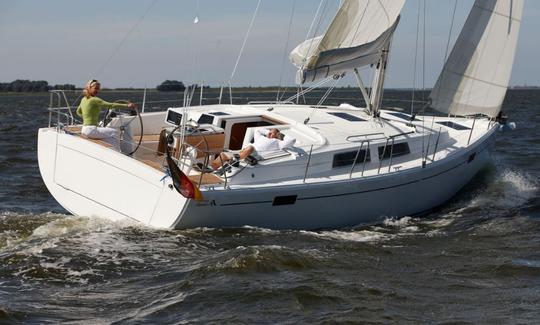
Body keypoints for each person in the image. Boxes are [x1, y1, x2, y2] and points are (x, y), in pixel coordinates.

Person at [76, 79, 137, 150]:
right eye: (95, 88)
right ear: (89, 88)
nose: (97, 90)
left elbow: (78, 112)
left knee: (109, 134)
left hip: (84, 129)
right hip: (91, 130)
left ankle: (111, 150)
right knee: (115, 132)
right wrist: (127, 105)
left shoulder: (83, 99)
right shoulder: (94, 100)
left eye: (98, 89)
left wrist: (87, 118)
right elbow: (110, 105)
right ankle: (117, 153)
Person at [210, 128, 296, 170]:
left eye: (272, 133)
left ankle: (235, 159)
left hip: (253, 153)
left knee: (250, 147)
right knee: (223, 154)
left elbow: (292, 140)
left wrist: (282, 135)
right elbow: (257, 130)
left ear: (277, 135)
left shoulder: (278, 142)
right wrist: (267, 132)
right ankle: (211, 169)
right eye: (269, 132)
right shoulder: (260, 138)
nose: (269, 134)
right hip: (243, 151)